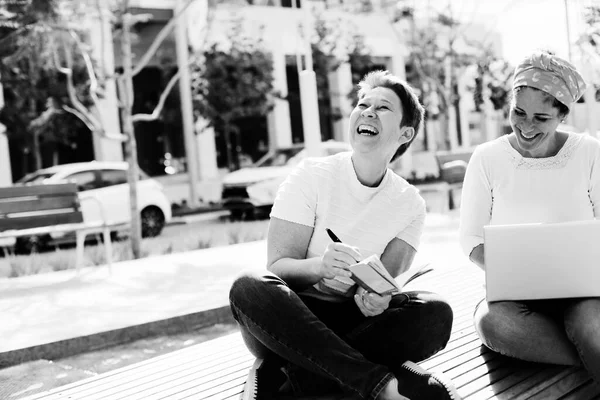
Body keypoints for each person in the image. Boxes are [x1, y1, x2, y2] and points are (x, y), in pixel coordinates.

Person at [229, 70, 461, 400]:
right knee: (249, 286)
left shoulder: (410, 205)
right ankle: (379, 383)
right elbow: (278, 267)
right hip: (291, 317)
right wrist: (320, 268)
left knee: (436, 312)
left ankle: (289, 377)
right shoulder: (310, 175)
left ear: (406, 132)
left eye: (383, 108)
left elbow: (383, 283)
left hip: (354, 322)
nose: (367, 111)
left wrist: (374, 301)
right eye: (363, 104)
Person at [459, 50, 600, 386]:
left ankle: (589, 348)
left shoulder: (589, 152)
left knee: (590, 325)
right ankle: (589, 356)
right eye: (519, 112)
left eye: (541, 118)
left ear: (562, 115)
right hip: (516, 296)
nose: (526, 125)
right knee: (495, 324)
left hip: (583, 292)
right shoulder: (487, 158)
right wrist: (519, 270)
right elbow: (470, 239)